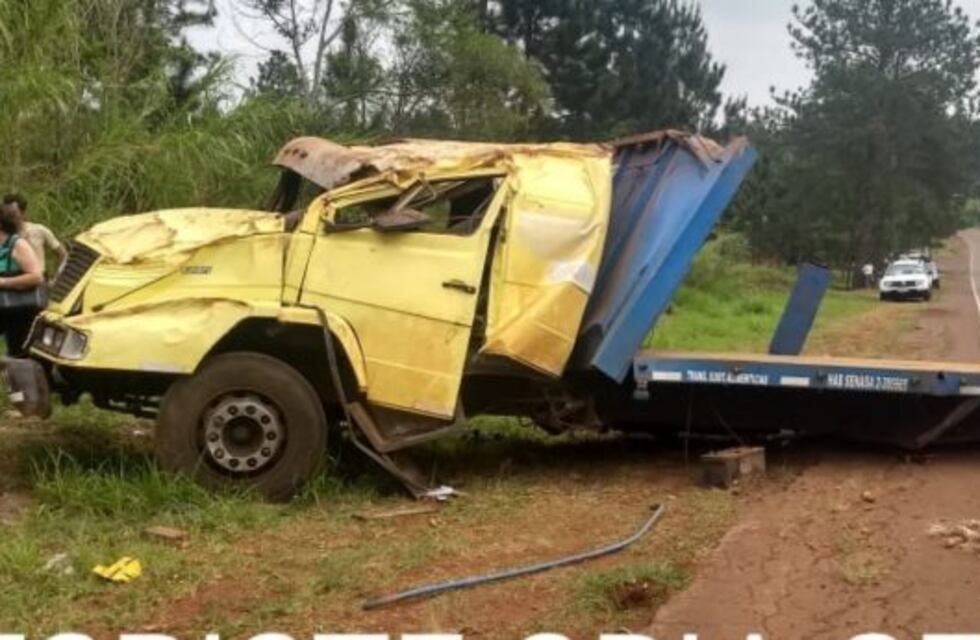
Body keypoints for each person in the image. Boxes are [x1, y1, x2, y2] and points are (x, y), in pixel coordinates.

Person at [0, 206, 44, 356]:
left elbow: (36, 276)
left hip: (20, 308)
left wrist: (4, 282)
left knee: (19, 352)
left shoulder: (18, 244)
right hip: (3, 307)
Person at [1, 194, 67, 277]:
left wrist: (57, 276)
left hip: (38, 278)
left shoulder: (38, 230)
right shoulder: (4, 236)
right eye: (6, 214)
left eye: (12, 214)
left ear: (23, 213)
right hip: (12, 279)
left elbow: (62, 253)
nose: (9, 217)